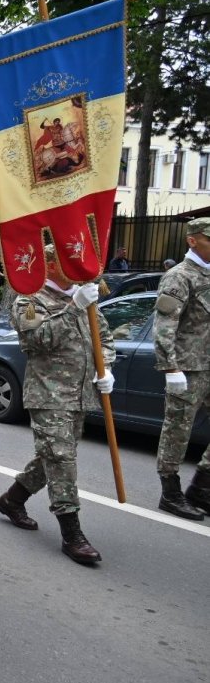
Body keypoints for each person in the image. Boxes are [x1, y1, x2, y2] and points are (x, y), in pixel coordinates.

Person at [0, 243, 114, 565]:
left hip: (79, 395)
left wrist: (108, 369)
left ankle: (11, 500)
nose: (73, 267)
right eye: (65, 261)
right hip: (48, 395)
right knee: (61, 459)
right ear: (46, 264)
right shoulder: (29, 300)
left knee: (52, 456)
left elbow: (104, 338)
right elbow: (37, 340)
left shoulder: (84, 297)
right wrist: (74, 306)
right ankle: (72, 533)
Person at [152, 217, 210, 521]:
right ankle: (170, 492)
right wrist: (170, 368)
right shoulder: (179, 277)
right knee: (177, 430)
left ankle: (201, 487)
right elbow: (164, 327)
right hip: (187, 369)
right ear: (192, 241)